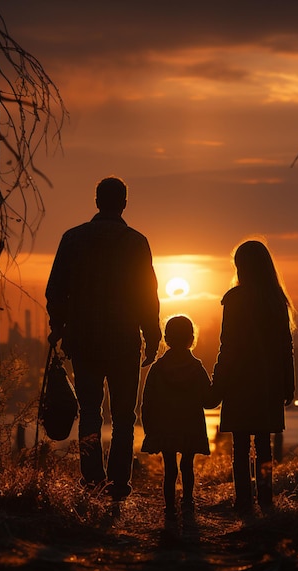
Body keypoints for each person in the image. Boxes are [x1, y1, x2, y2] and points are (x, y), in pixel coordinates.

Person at [45, 176, 161, 501]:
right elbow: (147, 295)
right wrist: (152, 336)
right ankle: (119, 484)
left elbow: (55, 290)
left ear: (96, 201)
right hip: (124, 339)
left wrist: (60, 326)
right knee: (124, 416)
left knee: (90, 412)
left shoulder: (73, 239)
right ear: (124, 203)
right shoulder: (136, 242)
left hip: (84, 339)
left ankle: (93, 482)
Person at [212, 239, 296, 514]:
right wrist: (288, 383)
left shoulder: (234, 299)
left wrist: (218, 382)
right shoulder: (276, 300)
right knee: (264, 445)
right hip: (269, 382)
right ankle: (267, 499)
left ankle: (243, 501)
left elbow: (228, 345)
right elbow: (286, 346)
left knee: (240, 446)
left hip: (239, 380)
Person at [141, 315, 217, 520]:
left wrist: (150, 429)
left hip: (166, 428)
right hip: (190, 427)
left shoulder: (157, 369)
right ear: (191, 339)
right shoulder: (196, 369)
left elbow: (147, 403)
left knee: (169, 468)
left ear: (167, 339)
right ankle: (187, 502)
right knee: (187, 466)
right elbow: (209, 401)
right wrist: (220, 384)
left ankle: (169, 508)